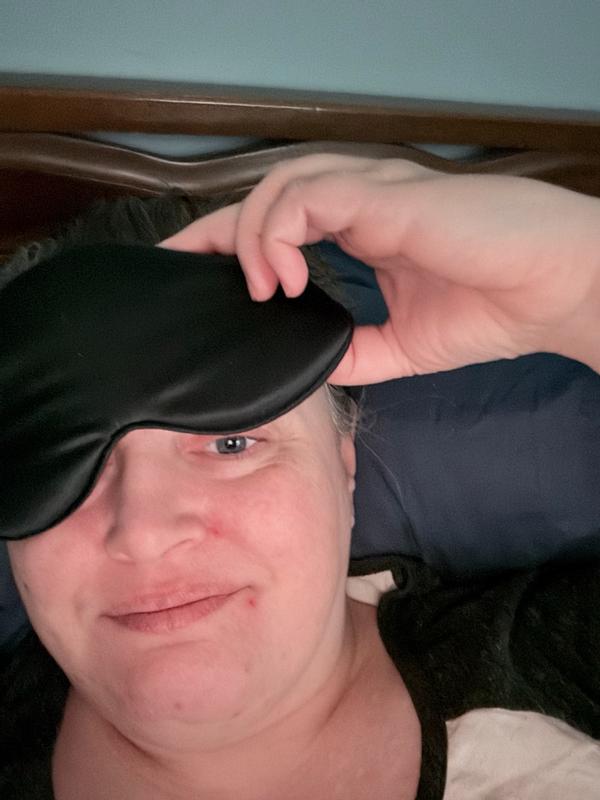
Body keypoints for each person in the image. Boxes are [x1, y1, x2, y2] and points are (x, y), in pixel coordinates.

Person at [2, 155, 600, 799]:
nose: (144, 532)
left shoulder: (562, 659)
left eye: (232, 441)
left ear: (344, 462)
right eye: (60, 456)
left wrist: (584, 284)